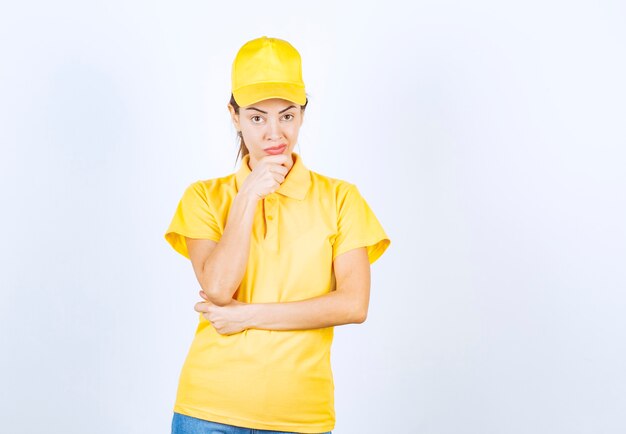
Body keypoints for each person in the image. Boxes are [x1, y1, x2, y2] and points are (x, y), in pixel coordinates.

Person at [164, 36, 391, 434]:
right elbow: (218, 288)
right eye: (257, 118)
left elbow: (353, 305)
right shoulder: (203, 196)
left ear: (303, 114)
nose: (274, 133)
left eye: (286, 116)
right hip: (209, 411)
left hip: (301, 418)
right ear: (234, 116)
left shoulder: (340, 199)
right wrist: (248, 193)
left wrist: (248, 315)